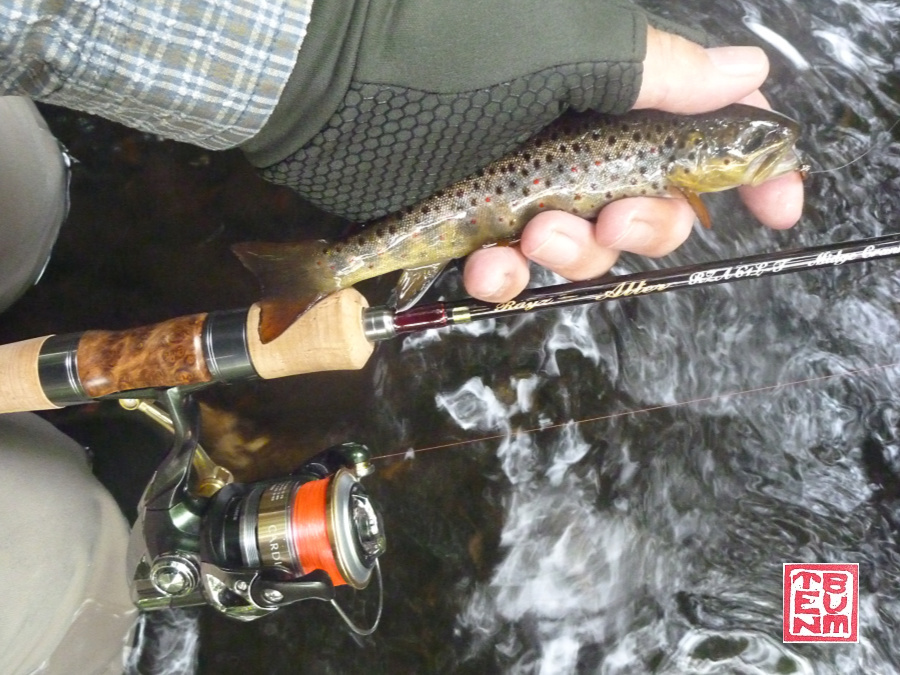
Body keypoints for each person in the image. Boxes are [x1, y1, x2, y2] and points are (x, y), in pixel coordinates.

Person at [0, 0, 805, 672]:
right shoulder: (671, 165)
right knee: (80, 546)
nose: (760, 151)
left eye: (742, 150)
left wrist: (335, 58)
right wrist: (337, 54)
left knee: (27, 191)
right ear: (689, 156)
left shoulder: (667, 163)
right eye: (739, 149)